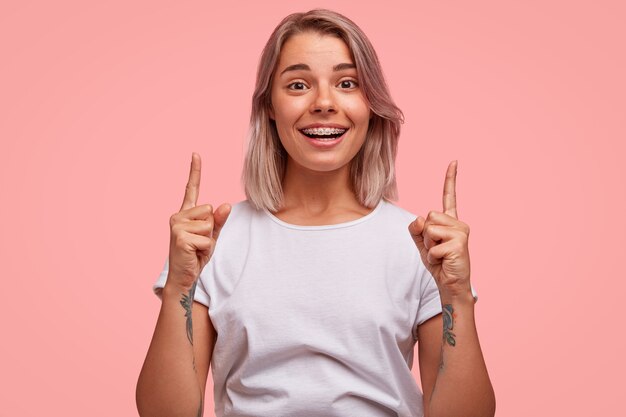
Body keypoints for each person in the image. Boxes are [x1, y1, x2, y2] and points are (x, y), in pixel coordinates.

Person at [136, 9, 495, 417]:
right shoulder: (213, 241)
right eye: (298, 84)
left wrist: (458, 298)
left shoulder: (419, 243)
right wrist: (179, 288)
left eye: (347, 83)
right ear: (269, 105)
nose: (324, 103)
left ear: (370, 104)